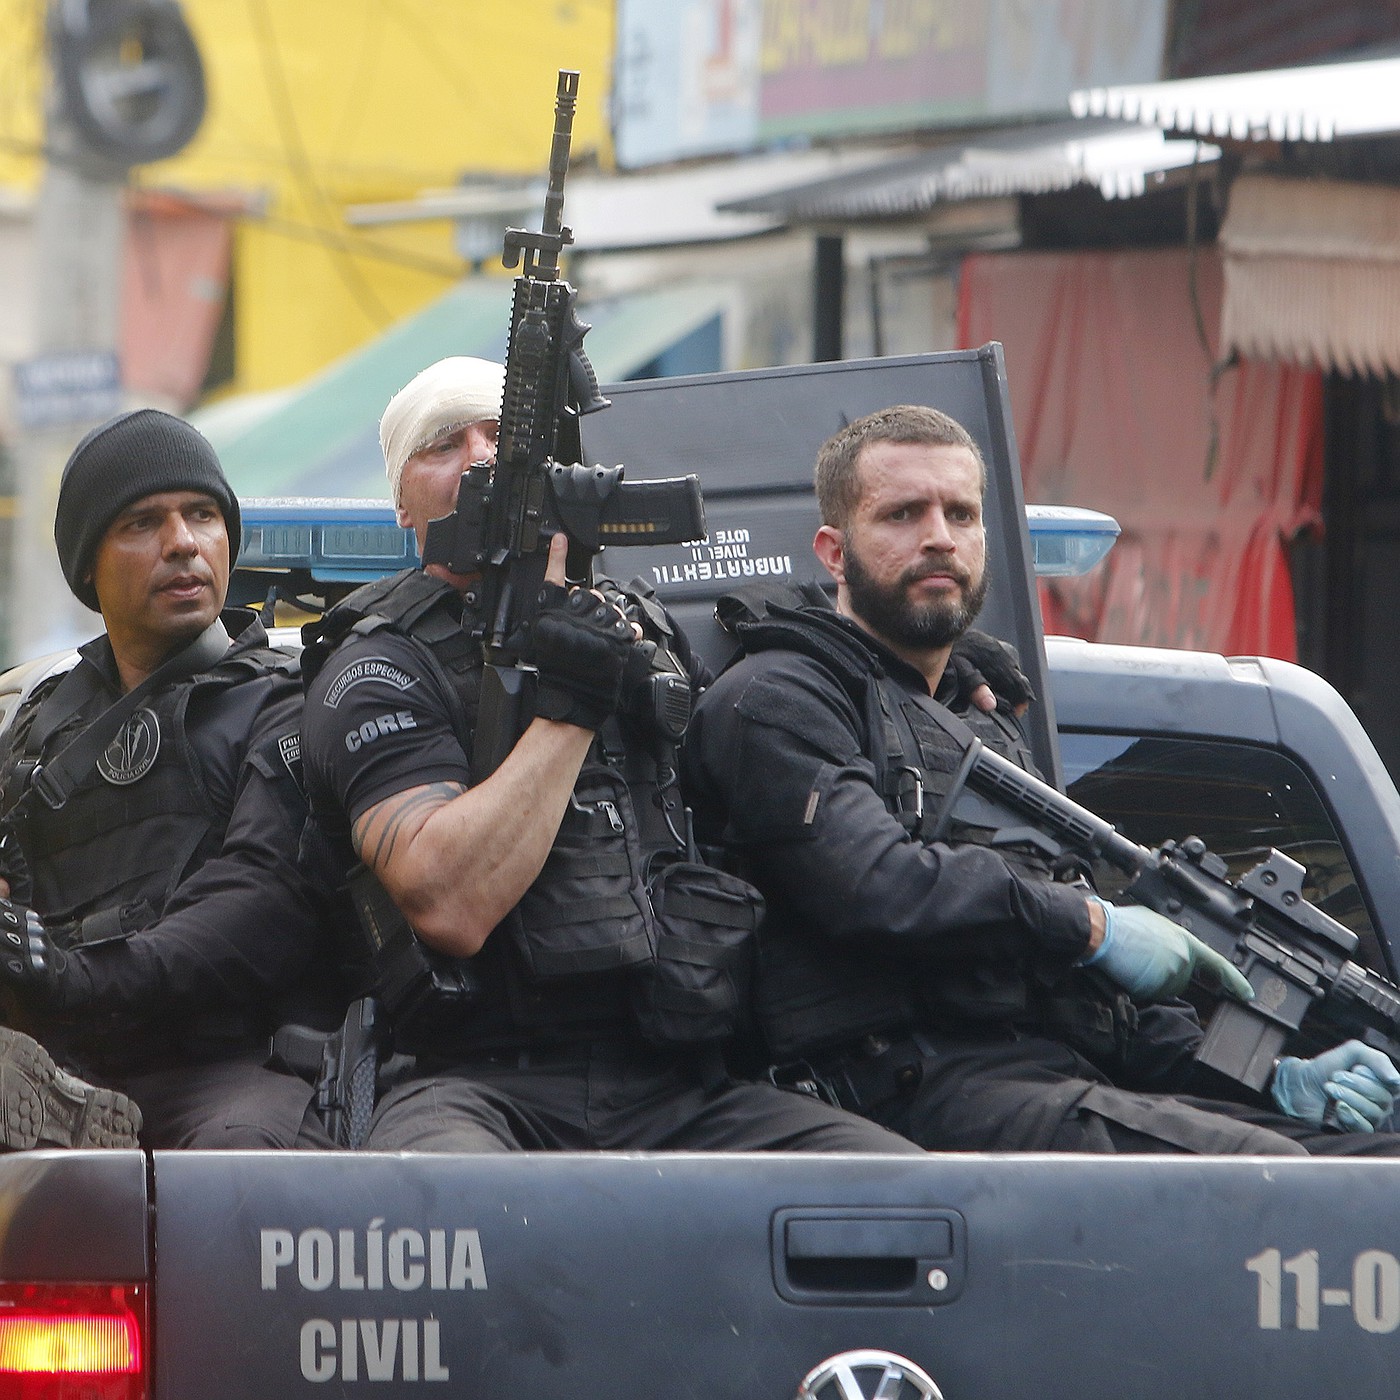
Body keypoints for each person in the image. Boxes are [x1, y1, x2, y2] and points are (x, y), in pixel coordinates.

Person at [684, 403, 1400, 1156]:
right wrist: (1092, 925)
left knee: (1370, 1166)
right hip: (904, 1097)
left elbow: (1088, 995)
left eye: (961, 513)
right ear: (834, 552)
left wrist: (1276, 1079)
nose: (938, 536)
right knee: (1274, 1175)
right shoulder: (776, 699)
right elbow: (874, 882)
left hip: (1058, 1079)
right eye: (902, 514)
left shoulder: (981, 721)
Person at [298, 356, 921, 1155]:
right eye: (443, 443)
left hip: (679, 1081)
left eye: (501, 435)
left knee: (891, 1187)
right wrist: (574, 699)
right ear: (400, 503)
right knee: (446, 1209)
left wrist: (915, 677)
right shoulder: (377, 667)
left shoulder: (641, 628)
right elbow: (448, 905)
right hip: (472, 1084)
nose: (484, 456)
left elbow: (772, 748)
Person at [0, 409, 343, 1149]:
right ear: (87, 563)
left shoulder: (288, 701)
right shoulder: (33, 724)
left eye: (203, 515)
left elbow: (260, 905)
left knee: (242, 1168)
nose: (183, 542)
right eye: (142, 522)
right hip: (56, 1067)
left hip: (228, 1069)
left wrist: (74, 973)